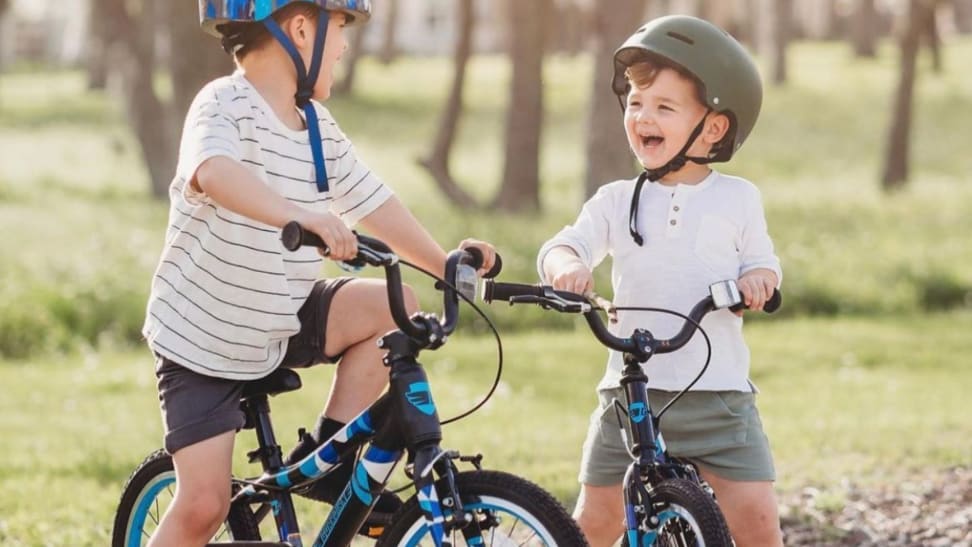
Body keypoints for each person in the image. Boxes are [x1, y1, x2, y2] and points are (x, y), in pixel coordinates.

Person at [142, 1, 497, 545]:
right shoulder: (223, 103)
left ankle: (331, 460)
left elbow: (375, 204)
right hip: (204, 340)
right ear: (301, 29)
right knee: (204, 505)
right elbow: (213, 171)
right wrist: (302, 215)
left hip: (282, 313)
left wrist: (444, 265)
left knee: (391, 308)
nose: (346, 45)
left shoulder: (315, 127)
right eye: (342, 30)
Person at [537, 14, 784, 547]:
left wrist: (758, 282)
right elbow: (563, 244)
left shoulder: (737, 198)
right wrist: (567, 267)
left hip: (719, 395)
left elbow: (763, 262)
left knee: (759, 523)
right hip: (631, 393)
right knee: (594, 521)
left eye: (664, 107)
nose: (642, 116)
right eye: (635, 104)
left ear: (714, 127)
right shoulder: (616, 200)